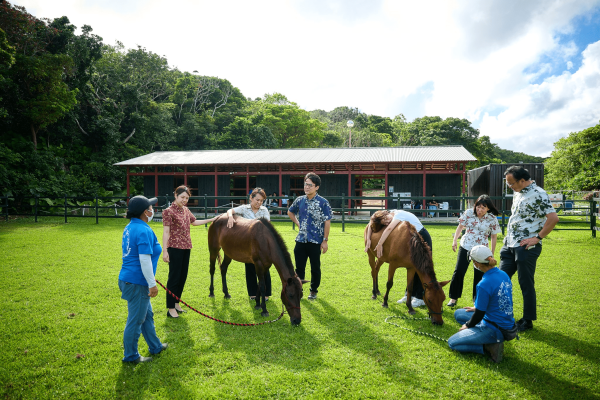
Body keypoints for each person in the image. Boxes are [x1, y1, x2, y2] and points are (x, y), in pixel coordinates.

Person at [500, 166, 558, 332]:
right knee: (501, 281)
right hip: (509, 244)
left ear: (523, 180)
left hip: (526, 246)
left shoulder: (539, 194)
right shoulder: (518, 193)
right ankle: (499, 314)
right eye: (508, 184)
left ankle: (527, 320)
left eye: (512, 183)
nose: (510, 187)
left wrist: (537, 238)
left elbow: (553, 218)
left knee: (525, 283)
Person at [119, 195, 167, 363]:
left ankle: (155, 346)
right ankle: (131, 356)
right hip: (137, 282)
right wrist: (152, 284)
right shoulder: (144, 230)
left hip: (130, 279)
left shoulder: (131, 227)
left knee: (147, 315)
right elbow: (144, 259)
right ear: (145, 212)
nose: (153, 210)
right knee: (136, 320)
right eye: (151, 207)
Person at [448, 245, 516, 363]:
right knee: (459, 314)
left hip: (494, 327)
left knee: (452, 343)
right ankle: (486, 338)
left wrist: (468, 325)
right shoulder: (503, 274)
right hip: (505, 322)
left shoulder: (484, 284)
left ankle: (489, 346)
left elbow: (479, 314)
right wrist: (477, 307)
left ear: (477, 263)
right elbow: (500, 298)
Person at [162, 186, 216, 318]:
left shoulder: (186, 210)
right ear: (175, 195)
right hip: (174, 248)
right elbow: (166, 232)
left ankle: (176, 302)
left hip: (186, 247)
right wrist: (165, 251)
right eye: (182, 197)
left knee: (182, 277)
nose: (184, 200)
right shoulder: (168, 211)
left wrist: (211, 219)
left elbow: (194, 221)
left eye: (187, 198)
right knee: (174, 278)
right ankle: (170, 307)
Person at [364, 209, 430, 308]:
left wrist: (380, 244)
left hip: (422, 236)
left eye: (386, 220)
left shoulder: (397, 216)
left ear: (387, 214)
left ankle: (419, 297)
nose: (387, 222)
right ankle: (409, 295)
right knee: (413, 267)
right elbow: (371, 222)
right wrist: (368, 238)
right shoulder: (387, 213)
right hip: (410, 237)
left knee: (421, 268)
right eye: (384, 222)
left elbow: (389, 229)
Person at [447, 195, 501, 308]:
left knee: (479, 275)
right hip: (466, 246)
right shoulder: (469, 213)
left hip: (481, 250)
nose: (479, 210)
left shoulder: (492, 219)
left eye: (483, 208)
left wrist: (491, 252)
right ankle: (453, 298)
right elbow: (460, 227)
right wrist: (454, 241)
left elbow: (494, 236)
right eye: (478, 207)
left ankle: (477, 301)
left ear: (488, 209)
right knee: (459, 271)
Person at [288, 172, 332, 300]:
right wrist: (297, 223)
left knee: (315, 268)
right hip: (301, 240)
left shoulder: (323, 203)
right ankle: (299, 289)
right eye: (305, 184)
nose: (307, 187)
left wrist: (325, 240)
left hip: (316, 241)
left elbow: (327, 222)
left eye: (310, 185)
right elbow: (290, 212)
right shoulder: (299, 200)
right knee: (299, 268)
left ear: (317, 187)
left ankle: (313, 290)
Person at [227, 187, 273, 300]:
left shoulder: (264, 210)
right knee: (250, 268)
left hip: (262, 244)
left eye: (261, 200)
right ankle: (252, 293)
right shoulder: (244, 208)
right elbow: (230, 211)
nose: (259, 202)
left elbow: (267, 225)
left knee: (264, 268)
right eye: (257, 199)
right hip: (248, 244)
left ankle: (266, 293)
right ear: (251, 198)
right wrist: (230, 218)